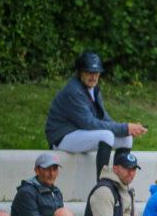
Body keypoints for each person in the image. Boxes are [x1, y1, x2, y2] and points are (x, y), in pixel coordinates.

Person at [44, 51, 148, 181]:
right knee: (106, 135)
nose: (93, 76)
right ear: (80, 72)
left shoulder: (93, 88)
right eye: (89, 72)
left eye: (96, 72)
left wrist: (126, 130)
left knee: (126, 138)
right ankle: (103, 187)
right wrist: (125, 127)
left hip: (79, 133)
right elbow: (89, 124)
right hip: (62, 137)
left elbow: (103, 118)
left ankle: (119, 184)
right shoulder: (74, 91)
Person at [9, 152, 104, 216]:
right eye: (47, 169)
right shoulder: (26, 193)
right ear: (37, 170)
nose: (52, 173)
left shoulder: (56, 192)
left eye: (54, 169)